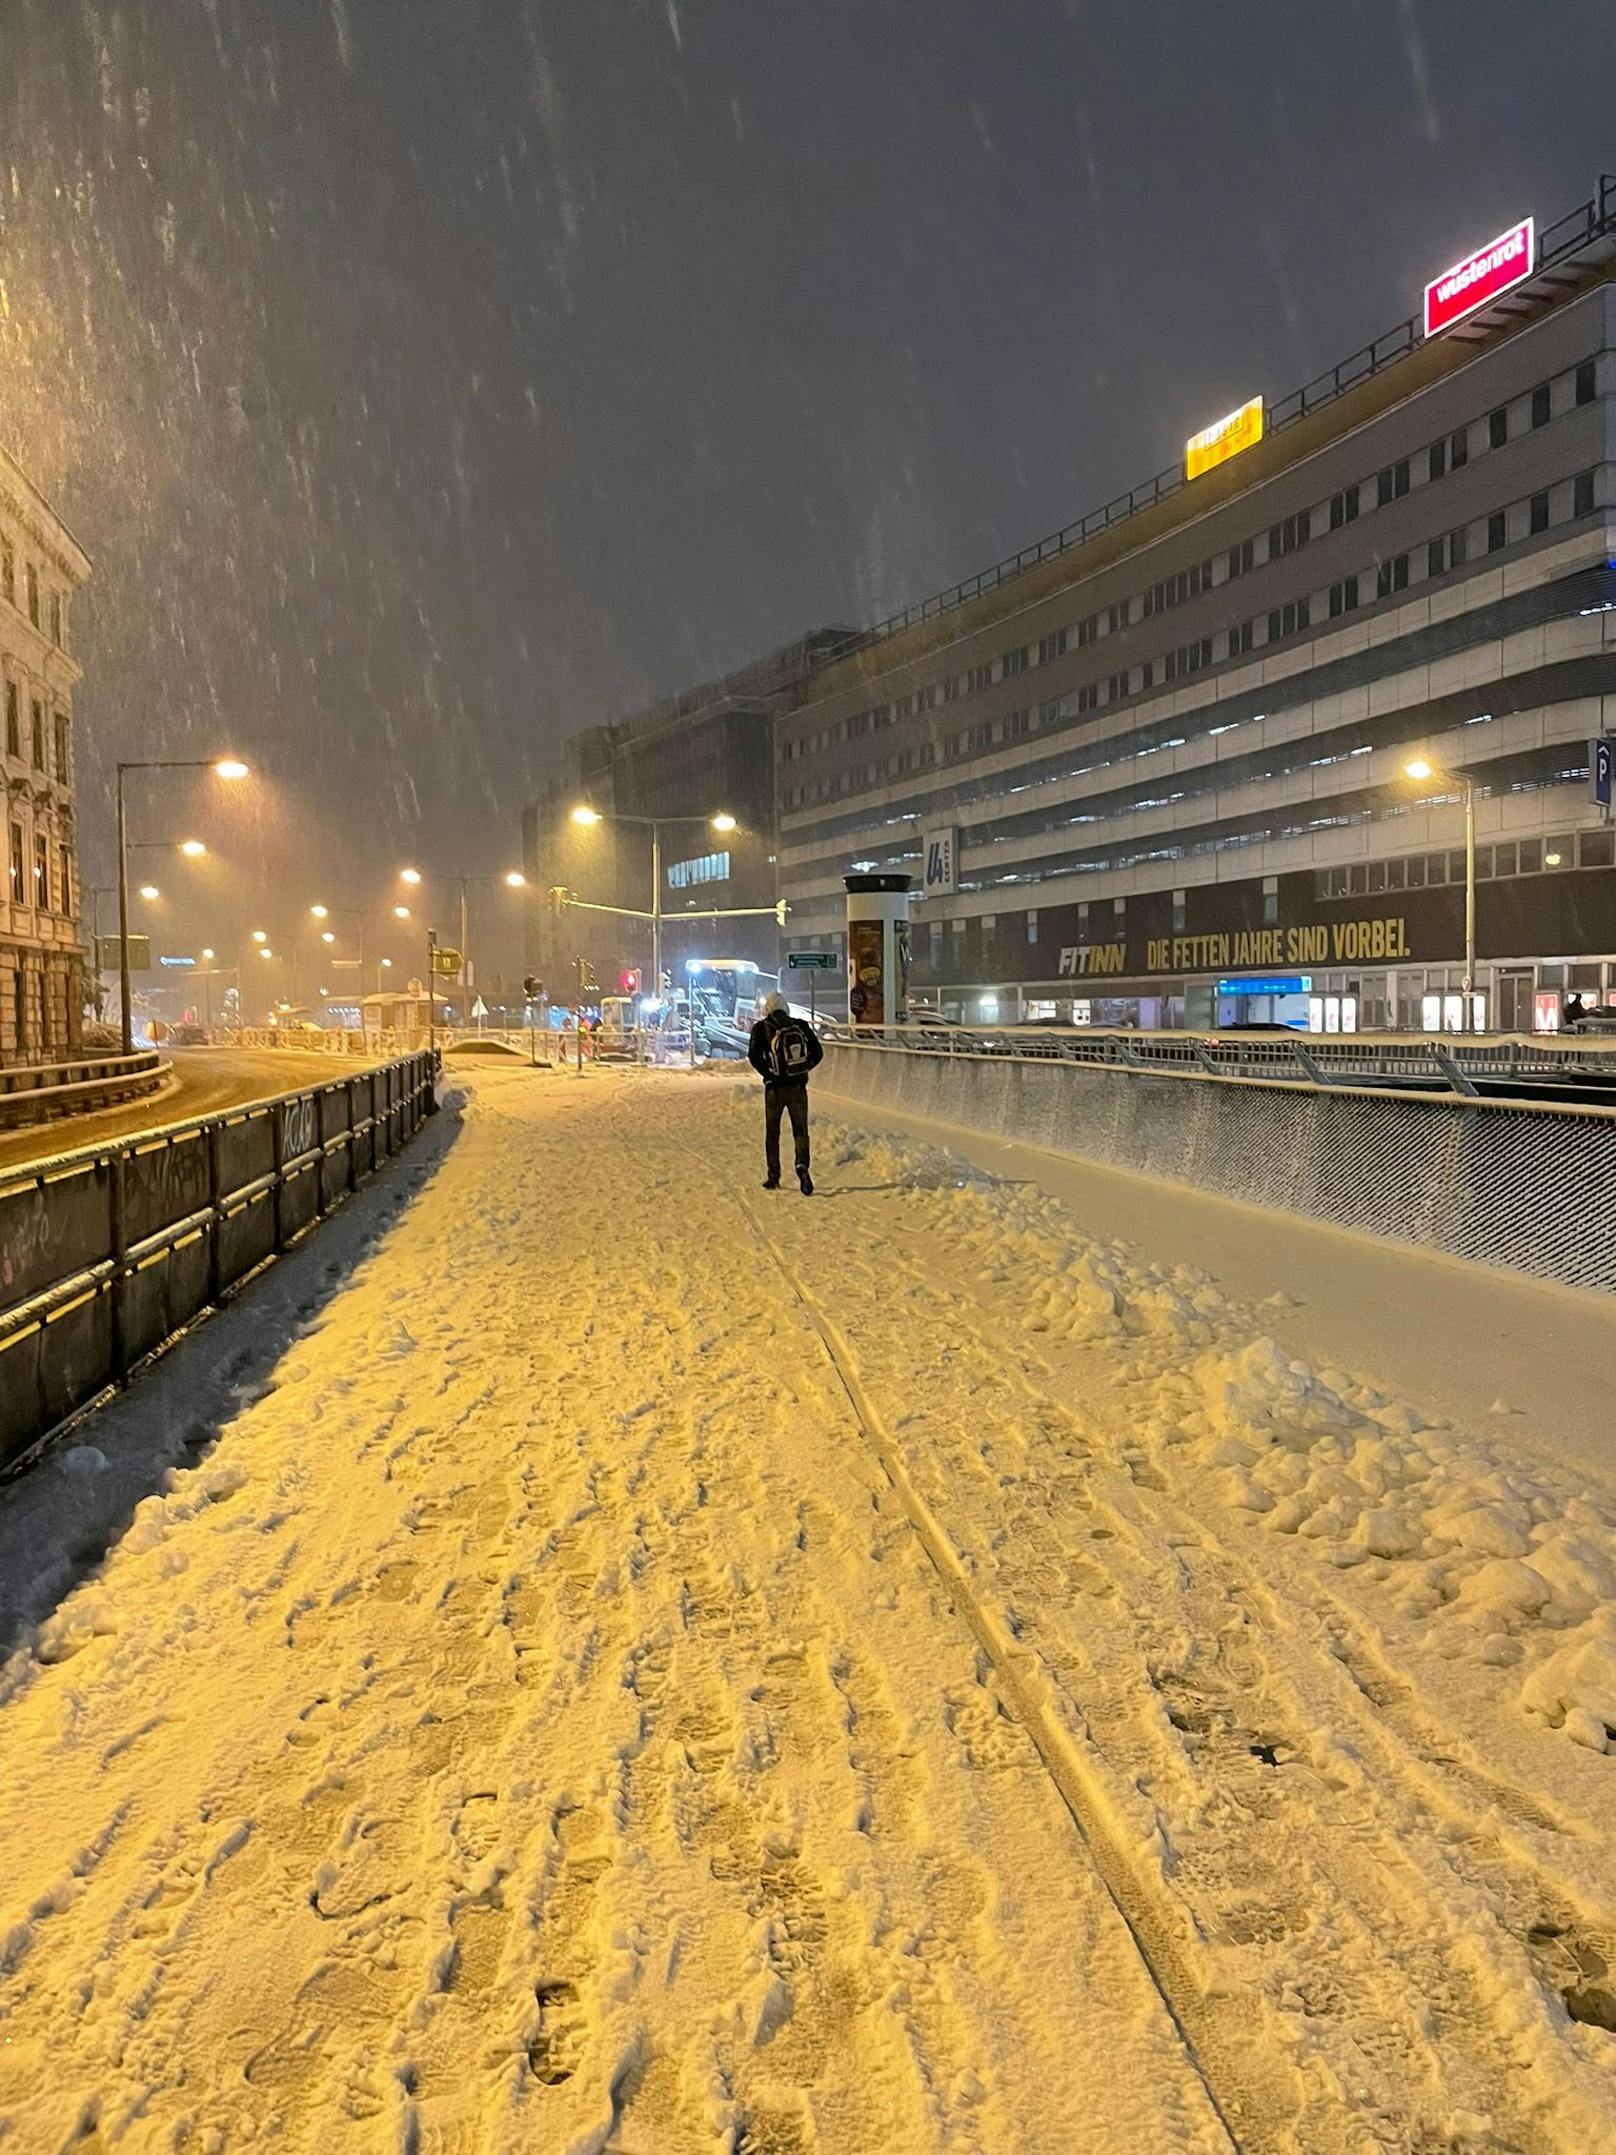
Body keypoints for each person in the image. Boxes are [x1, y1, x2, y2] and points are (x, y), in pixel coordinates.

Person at [748, 991, 824, 1194]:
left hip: (774, 1089)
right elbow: (818, 1052)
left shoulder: (761, 1028)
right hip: (798, 1088)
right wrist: (804, 1068)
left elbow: (753, 1055)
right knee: (800, 1130)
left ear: (768, 1008)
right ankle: (802, 1166)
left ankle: (774, 1176)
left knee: (773, 1132)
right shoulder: (800, 1025)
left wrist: (768, 1072)